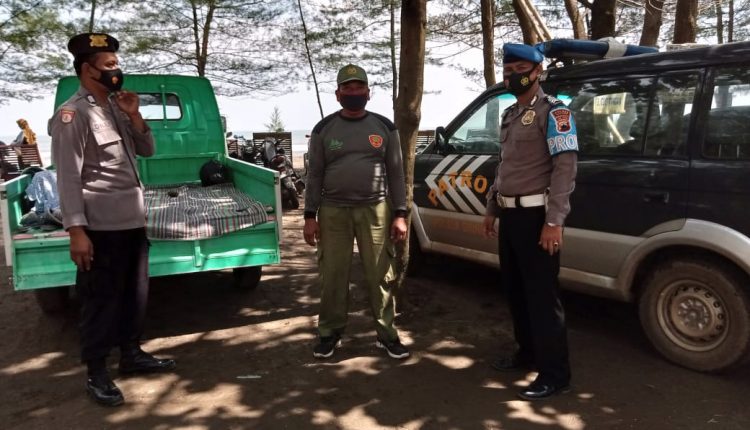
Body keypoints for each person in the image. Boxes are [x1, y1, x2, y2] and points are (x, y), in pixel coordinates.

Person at [50, 32, 175, 407]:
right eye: (109, 64)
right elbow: (68, 176)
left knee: (135, 295)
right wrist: (76, 230)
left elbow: (147, 149)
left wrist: (134, 114)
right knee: (100, 300)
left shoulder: (117, 107)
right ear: (87, 70)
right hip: (100, 226)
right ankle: (97, 372)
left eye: (117, 63)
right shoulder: (73, 114)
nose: (116, 70)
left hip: (132, 221)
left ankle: (131, 354)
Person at [482, 43, 578, 400]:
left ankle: (555, 374)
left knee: (541, 296)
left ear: (538, 72)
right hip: (510, 215)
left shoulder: (555, 112)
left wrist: (554, 222)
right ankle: (527, 354)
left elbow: (565, 168)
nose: (512, 75)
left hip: (538, 217)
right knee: (516, 291)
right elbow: (504, 166)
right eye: (508, 70)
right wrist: (492, 207)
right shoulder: (510, 114)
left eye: (520, 69)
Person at [303, 64, 410, 360]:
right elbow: (314, 175)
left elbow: (396, 173)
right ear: (338, 94)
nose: (354, 92)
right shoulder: (323, 129)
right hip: (333, 212)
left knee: (380, 276)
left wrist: (400, 214)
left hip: (375, 210)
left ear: (368, 92)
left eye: (359, 87)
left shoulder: (384, 127)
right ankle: (329, 333)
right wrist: (309, 216)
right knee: (333, 276)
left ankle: (387, 335)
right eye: (347, 88)